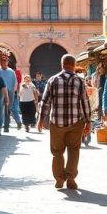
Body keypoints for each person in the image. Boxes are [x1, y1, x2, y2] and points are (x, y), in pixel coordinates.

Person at [37, 54, 91, 190]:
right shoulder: (79, 81)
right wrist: (88, 121)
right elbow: (85, 102)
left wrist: (40, 120)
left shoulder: (52, 80)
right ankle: (71, 178)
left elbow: (45, 102)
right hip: (75, 122)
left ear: (62, 65)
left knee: (57, 152)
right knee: (73, 150)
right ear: (74, 65)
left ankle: (59, 179)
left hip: (56, 123)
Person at [0, 56, 21, 132]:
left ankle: (6, 126)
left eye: (5, 61)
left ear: (7, 62)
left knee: (8, 109)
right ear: (1, 62)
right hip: (0, 92)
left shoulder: (11, 71)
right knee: (0, 109)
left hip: (10, 92)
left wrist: (13, 91)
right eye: (2, 61)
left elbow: (15, 82)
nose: (4, 63)